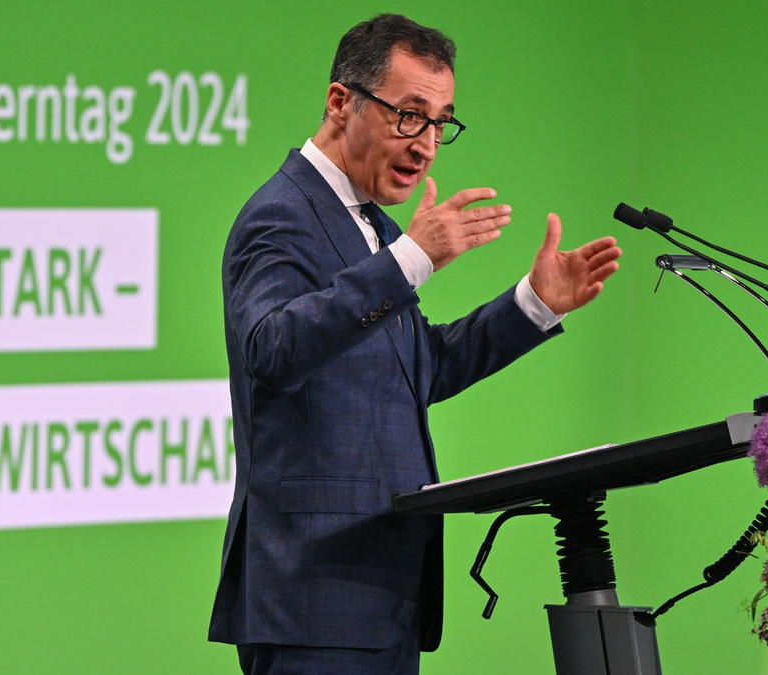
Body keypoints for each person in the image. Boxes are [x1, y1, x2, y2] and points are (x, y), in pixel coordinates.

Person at [207, 13, 622, 675]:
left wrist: (534, 303)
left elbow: (416, 370)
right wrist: (410, 259)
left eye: (440, 121)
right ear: (341, 102)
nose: (427, 144)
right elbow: (273, 349)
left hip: (381, 596)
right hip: (316, 600)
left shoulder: (371, 225)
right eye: (410, 115)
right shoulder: (281, 213)